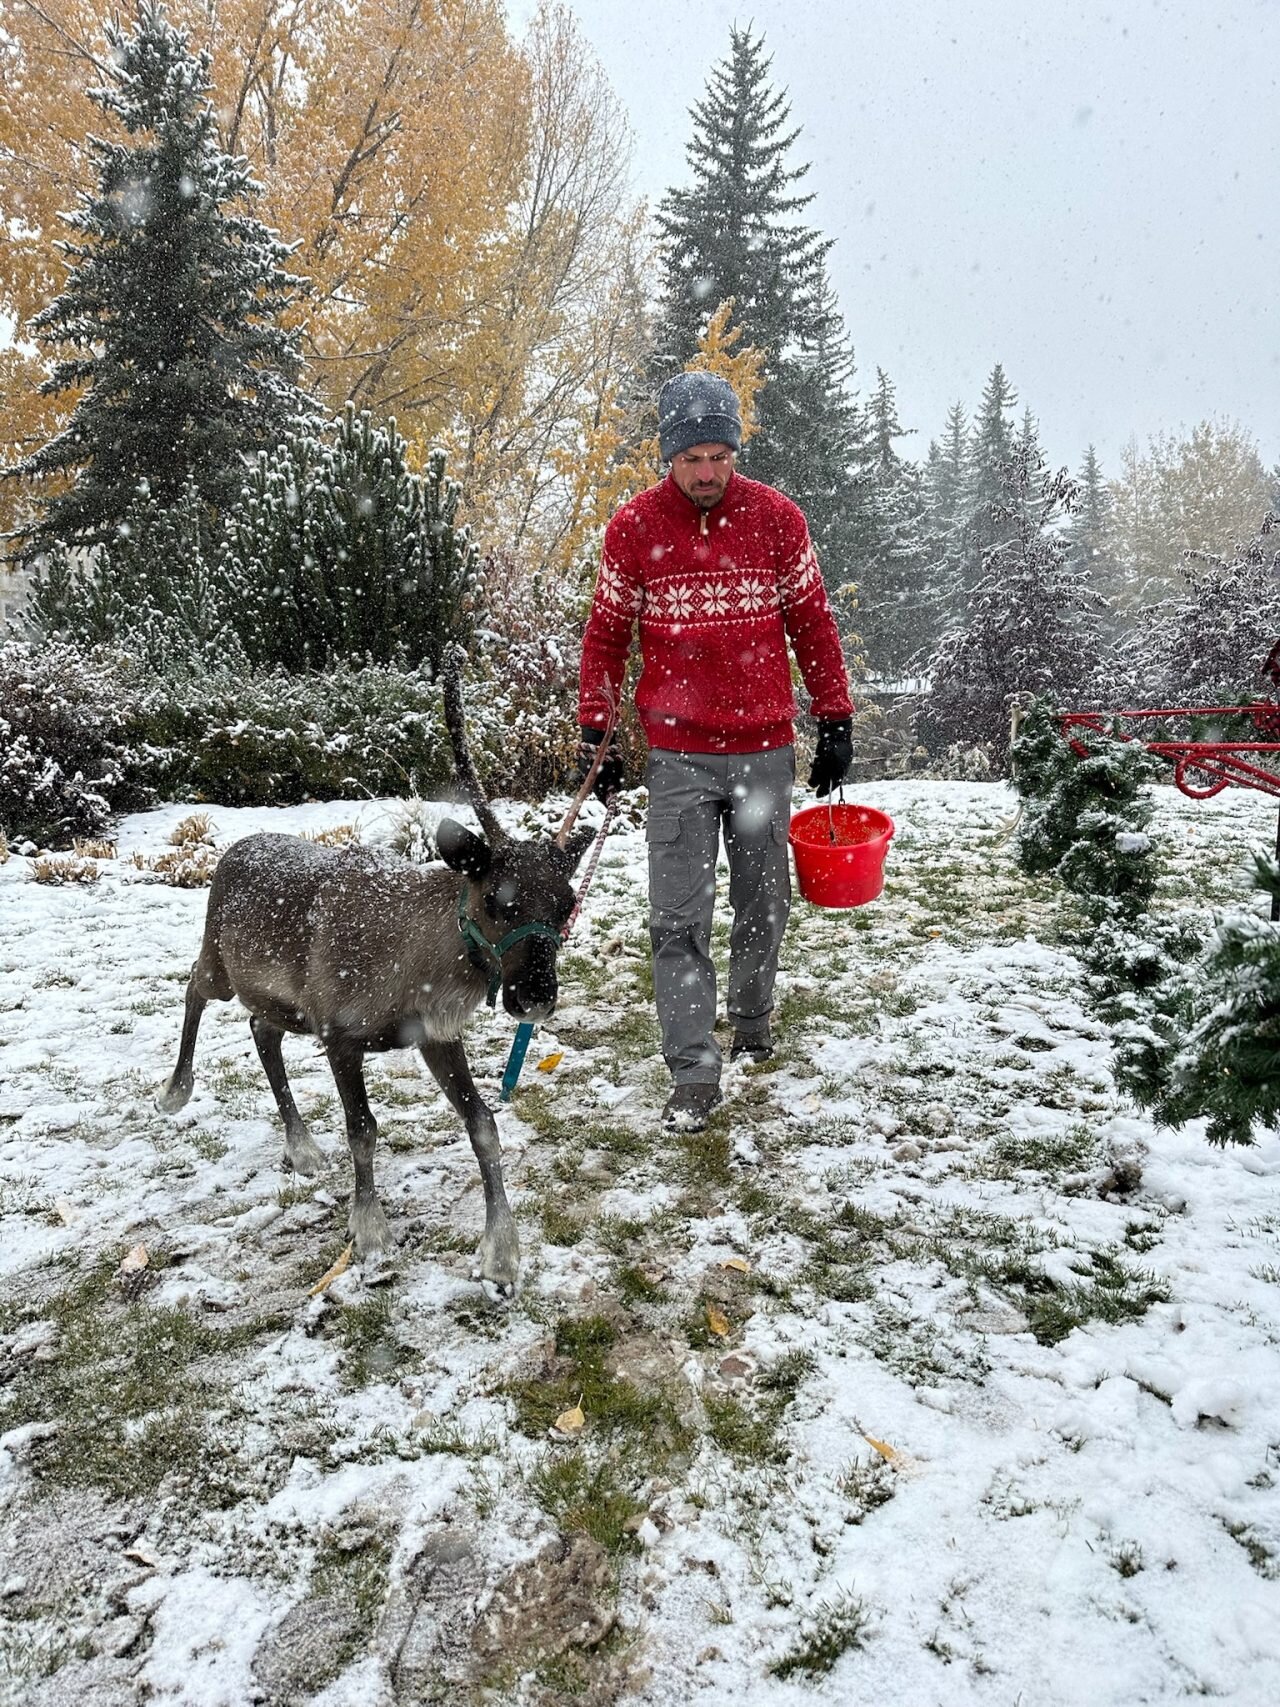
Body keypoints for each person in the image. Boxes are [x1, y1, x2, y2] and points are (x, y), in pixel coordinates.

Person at [579, 371, 854, 1131]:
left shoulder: (776, 520)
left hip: (765, 746)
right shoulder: (633, 530)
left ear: (736, 450)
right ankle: (693, 1070)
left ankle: (753, 1017)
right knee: (677, 916)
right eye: (693, 457)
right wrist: (592, 732)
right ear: (668, 454)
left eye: (720, 456)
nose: (707, 472)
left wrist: (835, 717)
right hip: (677, 755)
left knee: (763, 899)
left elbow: (813, 623)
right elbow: (605, 637)